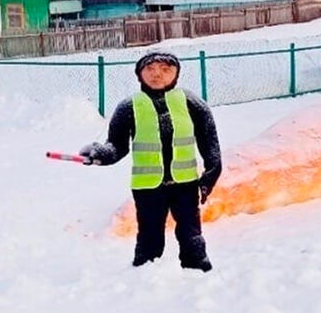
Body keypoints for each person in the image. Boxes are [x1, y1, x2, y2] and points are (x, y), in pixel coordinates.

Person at [80, 51, 221, 272]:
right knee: (149, 233)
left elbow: (209, 141)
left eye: (166, 70)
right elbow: (116, 145)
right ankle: (144, 270)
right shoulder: (129, 106)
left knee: (190, 231)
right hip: (148, 186)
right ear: (140, 74)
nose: (158, 75)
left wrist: (211, 173)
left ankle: (197, 267)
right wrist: (101, 154)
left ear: (176, 74)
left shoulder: (192, 103)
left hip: (185, 183)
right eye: (151, 69)